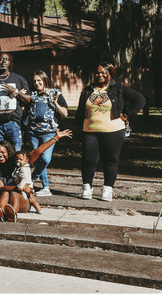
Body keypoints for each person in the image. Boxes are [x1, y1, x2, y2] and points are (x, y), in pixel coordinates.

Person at [77, 62, 144, 201]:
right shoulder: (88, 90)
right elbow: (80, 111)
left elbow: (140, 99)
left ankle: (107, 190)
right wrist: (76, 126)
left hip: (113, 130)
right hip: (90, 130)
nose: (99, 75)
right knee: (88, 160)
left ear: (110, 73)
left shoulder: (118, 88)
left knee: (110, 161)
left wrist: (127, 114)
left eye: (103, 72)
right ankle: (87, 188)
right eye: (97, 72)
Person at [23, 70, 67, 196]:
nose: (37, 83)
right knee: (37, 158)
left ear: (45, 79)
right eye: (34, 81)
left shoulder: (55, 93)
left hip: (49, 133)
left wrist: (55, 103)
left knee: (46, 158)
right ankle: (46, 188)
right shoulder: (33, 95)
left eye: (39, 80)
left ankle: (31, 179)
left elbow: (65, 113)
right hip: (32, 132)